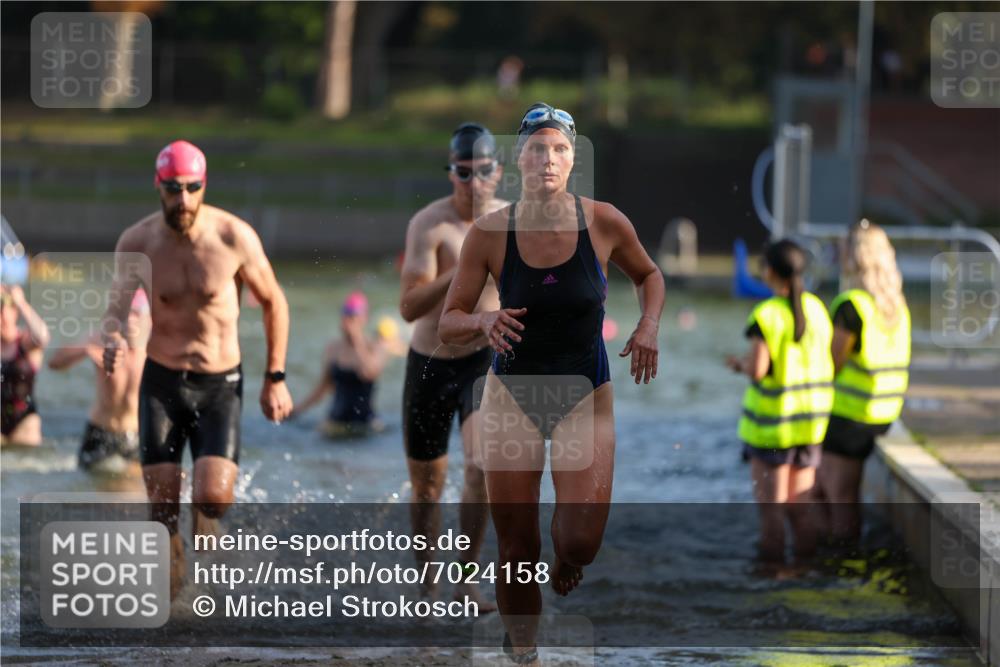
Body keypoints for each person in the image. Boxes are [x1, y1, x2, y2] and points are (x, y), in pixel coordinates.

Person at [439, 103, 663, 665]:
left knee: (579, 542)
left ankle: (568, 561)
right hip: (512, 394)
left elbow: (650, 275)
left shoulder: (605, 221)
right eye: (537, 149)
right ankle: (525, 655)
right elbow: (449, 320)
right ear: (519, 159)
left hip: (585, 393)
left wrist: (649, 324)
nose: (548, 158)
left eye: (559, 149)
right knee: (517, 547)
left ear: (572, 158)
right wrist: (483, 320)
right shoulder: (491, 232)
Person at [101, 140, 293, 598]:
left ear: (204, 186)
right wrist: (111, 337)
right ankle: (171, 611)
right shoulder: (137, 241)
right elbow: (114, 308)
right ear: (158, 186)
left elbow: (274, 303)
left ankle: (204, 513)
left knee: (213, 498)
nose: (182, 199)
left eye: (192, 188)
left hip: (220, 383)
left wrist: (275, 376)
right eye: (173, 188)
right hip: (162, 380)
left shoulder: (233, 237)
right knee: (162, 509)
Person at [398, 122, 506, 610]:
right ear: (451, 174)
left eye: (482, 172)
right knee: (427, 487)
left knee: (481, 465)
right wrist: (460, 268)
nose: (473, 182)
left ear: (498, 173)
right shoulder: (430, 225)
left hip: (484, 360)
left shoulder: (513, 222)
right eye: (463, 173)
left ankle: (466, 579)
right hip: (429, 363)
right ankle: (427, 585)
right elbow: (409, 307)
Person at [727, 239, 834, 564]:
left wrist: (740, 365)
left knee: (771, 515)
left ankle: (771, 580)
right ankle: (804, 571)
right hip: (809, 428)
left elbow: (759, 369)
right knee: (800, 511)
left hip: (772, 432)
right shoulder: (817, 308)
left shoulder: (767, 313)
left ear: (770, 272)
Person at [816, 220, 910, 545]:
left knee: (835, 494)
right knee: (841, 492)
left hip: (850, 417)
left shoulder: (851, 305)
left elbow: (830, 364)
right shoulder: (896, 305)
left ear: (854, 258)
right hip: (884, 413)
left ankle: (840, 564)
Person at [48, 289, 151, 474]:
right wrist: (85, 350)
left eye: (135, 313)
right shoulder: (101, 340)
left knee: (133, 494)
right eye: (125, 314)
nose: (130, 319)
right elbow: (54, 363)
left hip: (135, 435)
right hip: (101, 431)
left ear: (148, 319)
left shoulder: (154, 351)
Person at [291, 291, 388, 438]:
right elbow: (323, 387)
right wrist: (297, 410)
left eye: (353, 316)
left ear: (364, 318)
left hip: (365, 422)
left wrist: (356, 341)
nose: (348, 321)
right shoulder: (333, 348)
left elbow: (369, 373)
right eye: (346, 315)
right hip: (336, 420)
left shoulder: (375, 346)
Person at [1, 284, 50, 446]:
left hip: (24, 421)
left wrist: (21, 302)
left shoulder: (25, 343)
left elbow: (42, 337)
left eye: (3, 309)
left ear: (15, 313)